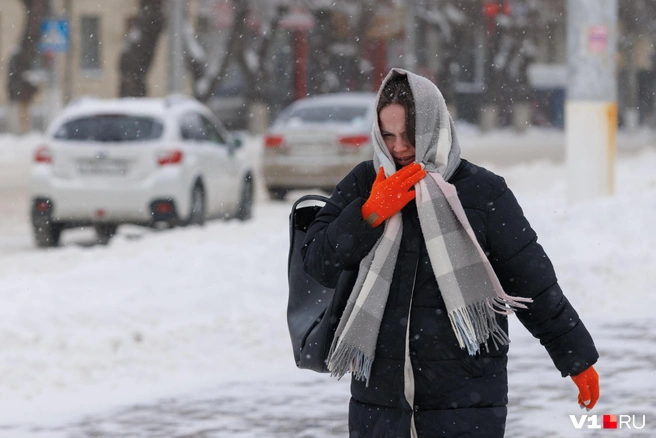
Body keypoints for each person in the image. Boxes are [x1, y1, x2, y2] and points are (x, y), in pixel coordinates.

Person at [301, 68, 599, 438]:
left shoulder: (483, 193)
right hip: (380, 404)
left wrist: (576, 357)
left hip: (465, 401)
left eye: (409, 136)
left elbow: (533, 284)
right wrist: (370, 213)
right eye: (388, 135)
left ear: (434, 126)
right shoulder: (366, 182)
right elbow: (318, 262)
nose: (397, 148)